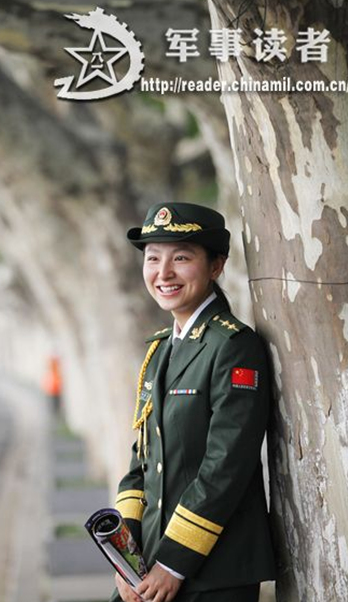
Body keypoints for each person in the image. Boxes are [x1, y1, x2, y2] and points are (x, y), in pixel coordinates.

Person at [112, 203, 275, 602]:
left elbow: (227, 465)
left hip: (212, 572)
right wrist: (125, 557)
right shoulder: (159, 350)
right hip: (149, 563)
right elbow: (141, 462)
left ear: (216, 266)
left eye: (181, 258)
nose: (163, 273)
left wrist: (174, 563)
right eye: (153, 258)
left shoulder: (234, 347)